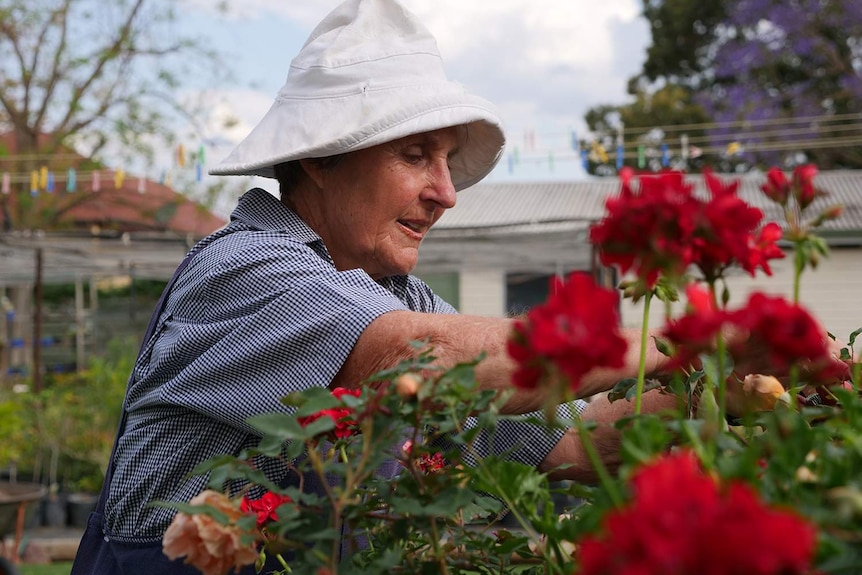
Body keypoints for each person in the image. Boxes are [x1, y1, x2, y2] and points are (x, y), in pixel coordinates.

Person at [70, 0, 847, 573]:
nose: (447, 192)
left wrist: (713, 385)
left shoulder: (392, 293)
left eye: (447, 161)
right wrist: (688, 336)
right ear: (319, 157)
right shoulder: (243, 266)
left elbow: (572, 444)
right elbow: (422, 363)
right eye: (417, 155)